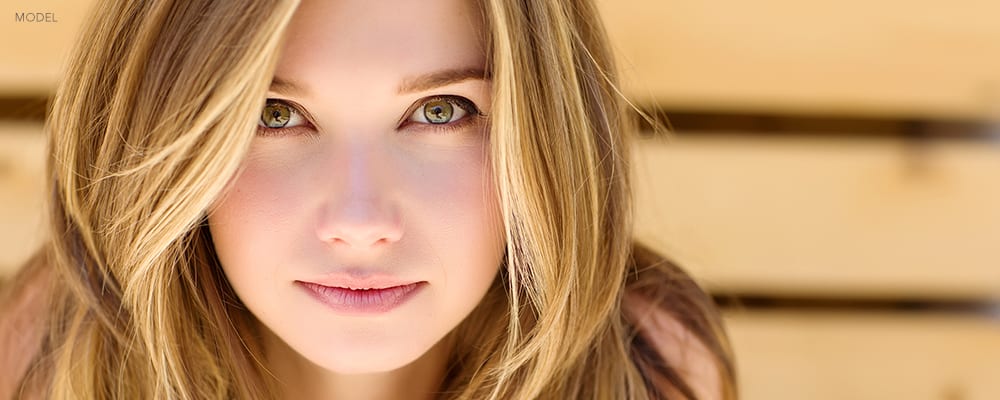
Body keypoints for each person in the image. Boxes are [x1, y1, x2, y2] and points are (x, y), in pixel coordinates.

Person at [0, 0, 736, 398]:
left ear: (548, 135)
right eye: (274, 115)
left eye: (441, 111)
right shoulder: (42, 366)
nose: (360, 222)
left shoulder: (647, 368)